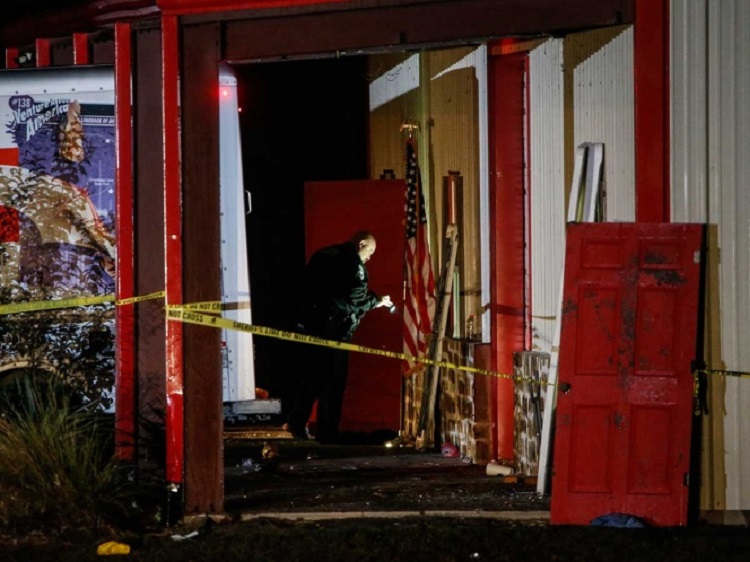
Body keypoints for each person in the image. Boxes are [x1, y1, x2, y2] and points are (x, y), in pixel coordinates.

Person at [283, 231, 393, 443]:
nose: (370, 257)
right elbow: (355, 298)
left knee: (312, 378)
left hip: (313, 326)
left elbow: (308, 287)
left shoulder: (324, 253)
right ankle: (327, 432)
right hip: (336, 331)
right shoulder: (354, 264)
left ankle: (296, 422)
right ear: (361, 244)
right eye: (370, 251)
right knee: (333, 383)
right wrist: (376, 301)